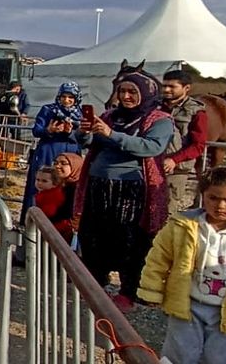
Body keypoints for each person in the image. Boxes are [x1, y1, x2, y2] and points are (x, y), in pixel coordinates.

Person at [73, 70, 173, 313]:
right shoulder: (109, 116)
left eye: (132, 92)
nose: (126, 96)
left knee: (130, 239)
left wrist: (111, 134)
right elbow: (88, 143)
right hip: (98, 184)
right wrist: (85, 132)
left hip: (132, 188)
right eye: (122, 91)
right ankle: (96, 284)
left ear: (146, 94)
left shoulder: (159, 120)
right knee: (94, 235)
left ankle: (128, 291)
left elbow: (151, 147)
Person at [137, 167, 226, 364]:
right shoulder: (183, 225)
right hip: (188, 303)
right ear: (202, 195)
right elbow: (158, 258)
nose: (220, 205)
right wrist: (152, 290)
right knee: (180, 352)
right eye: (213, 198)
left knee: (222, 356)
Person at [19, 82, 83, 226]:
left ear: (76, 98)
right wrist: (49, 130)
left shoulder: (80, 114)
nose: (66, 100)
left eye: (70, 97)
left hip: (70, 154)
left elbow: (85, 137)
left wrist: (70, 133)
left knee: (67, 189)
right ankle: (32, 222)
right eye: (63, 96)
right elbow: (36, 130)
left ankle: (60, 223)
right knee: (42, 183)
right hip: (48, 151)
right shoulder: (48, 110)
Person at [161, 69, 208, 214]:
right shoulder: (155, 106)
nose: (167, 90)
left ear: (186, 88)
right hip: (150, 164)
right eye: (165, 86)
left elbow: (198, 145)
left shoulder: (196, 112)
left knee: (168, 211)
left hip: (176, 170)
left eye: (172, 86)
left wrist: (174, 160)